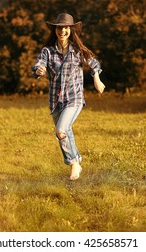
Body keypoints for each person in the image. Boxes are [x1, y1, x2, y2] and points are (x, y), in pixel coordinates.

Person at [31, 13, 105, 180]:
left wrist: (96, 79)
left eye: (66, 28)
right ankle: (76, 162)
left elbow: (94, 63)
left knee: (61, 129)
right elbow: (38, 65)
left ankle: (74, 164)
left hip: (74, 98)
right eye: (59, 27)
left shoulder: (78, 51)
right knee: (62, 133)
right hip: (55, 101)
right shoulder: (47, 52)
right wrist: (39, 70)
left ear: (71, 30)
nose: (62, 30)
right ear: (55, 30)